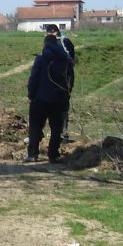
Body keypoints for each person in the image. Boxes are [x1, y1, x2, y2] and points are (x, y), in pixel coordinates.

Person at [25, 34, 73, 162]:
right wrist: (66, 95)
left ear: (45, 44)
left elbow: (33, 78)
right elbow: (70, 80)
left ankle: (32, 154)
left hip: (40, 99)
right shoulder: (66, 60)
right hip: (58, 99)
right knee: (56, 129)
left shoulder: (40, 59)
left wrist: (31, 94)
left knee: (35, 127)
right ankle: (53, 155)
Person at [45, 24, 77, 137]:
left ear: (55, 32)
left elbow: (71, 60)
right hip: (54, 77)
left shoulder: (64, 42)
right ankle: (56, 131)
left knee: (62, 103)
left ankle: (63, 131)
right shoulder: (51, 43)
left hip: (64, 77)